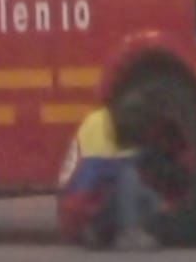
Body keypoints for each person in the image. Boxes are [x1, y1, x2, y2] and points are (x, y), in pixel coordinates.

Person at [56, 99, 160, 252]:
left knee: (149, 196)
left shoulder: (105, 121)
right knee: (129, 176)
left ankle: (108, 231)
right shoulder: (98, 133)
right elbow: (93, 180)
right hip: (81, 210)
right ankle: (127, 233)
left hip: (82, 207)